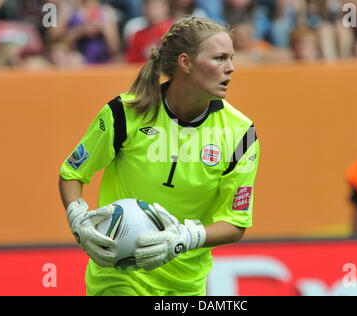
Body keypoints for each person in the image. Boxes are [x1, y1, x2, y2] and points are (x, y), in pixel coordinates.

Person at [59, 16, 260, 296]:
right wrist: (78, 219)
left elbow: (236, 221)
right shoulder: (123, 113)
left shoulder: (242, 134)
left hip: (186, 286)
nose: (231, 68)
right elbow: (72, 173)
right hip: (118, 278)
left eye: (231, 58)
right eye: (219, 58)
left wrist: (185, 238)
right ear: (185, 62)